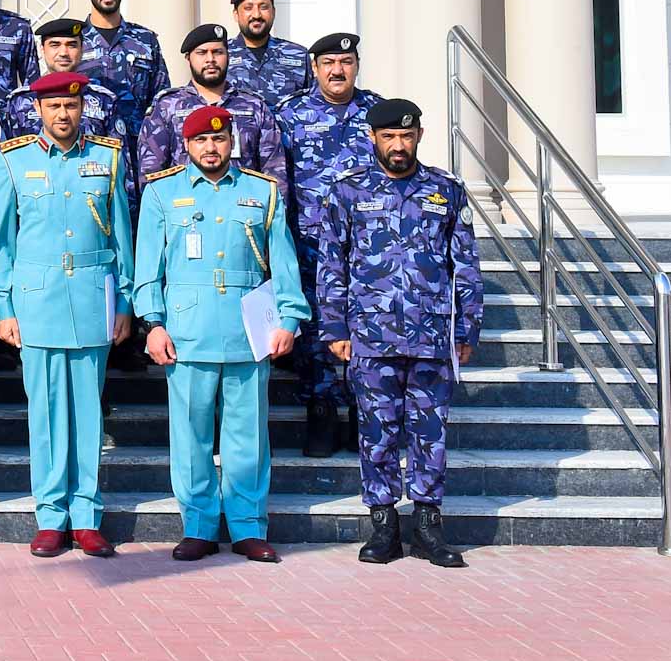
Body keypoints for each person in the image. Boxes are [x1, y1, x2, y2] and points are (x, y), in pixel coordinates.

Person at [133, 108, 306, 564]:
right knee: (190, 435)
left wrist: (289, 319)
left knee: (248, 433)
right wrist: (152, 323)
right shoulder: (162, 192)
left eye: (220, 139)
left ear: (233, 142)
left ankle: (249, 525)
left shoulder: (261, 191)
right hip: (186, 330)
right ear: (185, 146)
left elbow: (284, 263)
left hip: (247, 330)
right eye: (200, 141)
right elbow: (147, 267)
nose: (211, 148)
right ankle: (199, 525)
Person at [317, 98, 482, 568]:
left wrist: (466, 326)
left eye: (406, 137)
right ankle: (384, 524)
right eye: (389, 136)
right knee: (377, 431)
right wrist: (334, 324)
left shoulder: (445, 191)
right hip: (370, 335)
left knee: (429, 432)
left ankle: (428, 524)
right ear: (373, 138)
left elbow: (464, 263)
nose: (398, 145)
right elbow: (332, 263)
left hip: (430, 335)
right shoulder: (347, 192)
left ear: (419, 138)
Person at [0, 72, 132, 560]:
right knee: (46, 415)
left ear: (82, 108)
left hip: (93, 298)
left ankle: (87, 515)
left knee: (88, 413)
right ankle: (50, 515)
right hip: (37, 299)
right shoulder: (14, 160)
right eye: (53, 108)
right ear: (39, 111)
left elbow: (122, 242)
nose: (63, 115)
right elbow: (2, 245)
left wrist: (126, 304)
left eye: (70, 106)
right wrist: (3, 306)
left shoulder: (106, 159)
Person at [273, 33, 383, 457]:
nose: (338, 71)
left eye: (346, 61)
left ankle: (361, 409)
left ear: (356, 65)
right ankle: (320, 409)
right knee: (316, 329)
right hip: (310, 242)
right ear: (314, 67)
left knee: (363, 324)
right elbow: (276, 175)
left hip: (366, 245)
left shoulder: (376, 111)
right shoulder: (291, 113)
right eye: (329, 63)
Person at [136, 24, 289, 196]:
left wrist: (272, 214)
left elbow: (274, 170)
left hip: (243, 210)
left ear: (228, 56)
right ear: (188, 58)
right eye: (202, 53)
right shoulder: (167, 107)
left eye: (218, 52)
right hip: (185, 212)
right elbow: (151, 174)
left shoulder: (254, 106)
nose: (210, 59)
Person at [75, 0, 171, 138]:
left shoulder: (145, 40)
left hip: (137, 146)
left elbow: (161, 99)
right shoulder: (74, 40)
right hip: (88, 147)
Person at [0, 18, 128, 153]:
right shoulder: (20, 101)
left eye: (72, 45)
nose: (63, 53)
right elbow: (9, 155)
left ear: (82, 49)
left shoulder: (104, 100)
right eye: (55, 45)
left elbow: (119, 157)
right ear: (42, 49)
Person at [225, 0, 311, 106]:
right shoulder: (221, 54)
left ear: (273, 12)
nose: (256, 15)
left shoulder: (297, 54)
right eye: (248, 8)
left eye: (264, 7)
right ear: (236, 15)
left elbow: (312, 101)